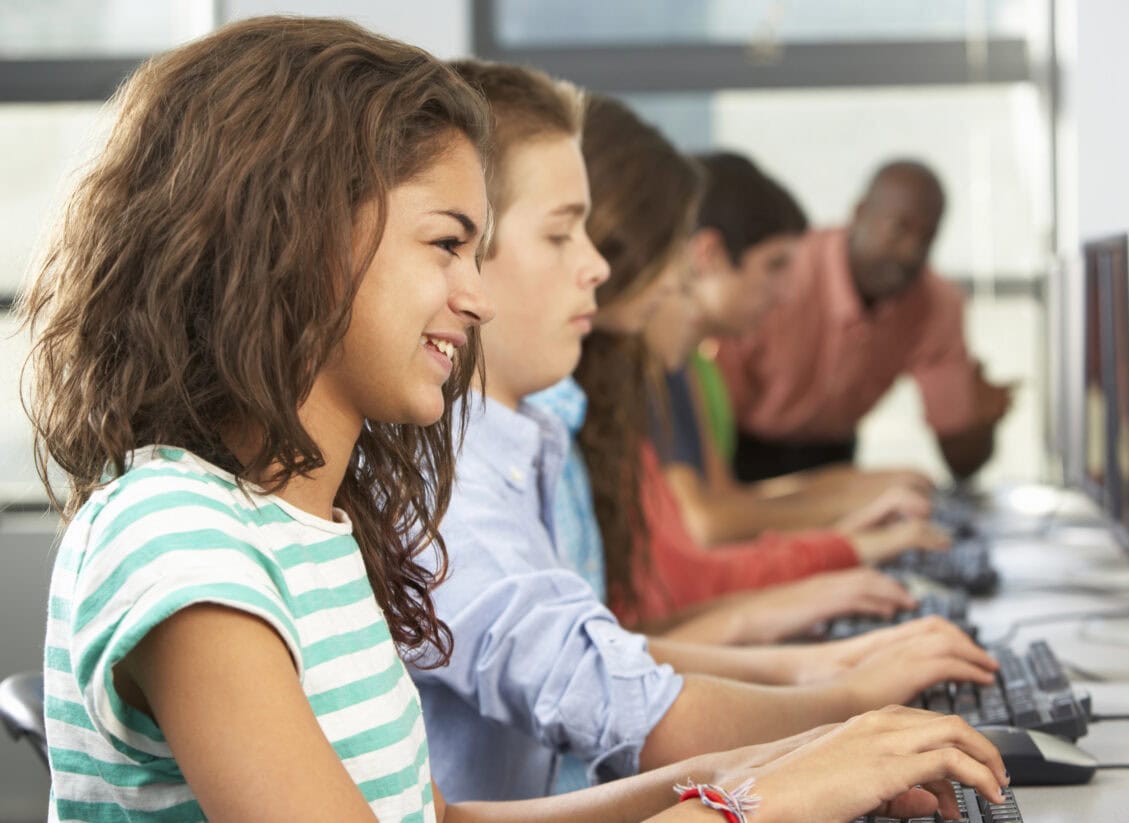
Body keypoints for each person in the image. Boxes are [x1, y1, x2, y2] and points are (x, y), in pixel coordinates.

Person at [25, 19, 1008, 823]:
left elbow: (436, 820)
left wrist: (787, 762)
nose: (479, 296)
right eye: (448, 243)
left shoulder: (318, 527)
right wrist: (755, 804)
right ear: (293, 240)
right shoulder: (179, 540)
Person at [412, 60, 1003, 816]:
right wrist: (831, 705)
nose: (598, 265)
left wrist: (788, 737)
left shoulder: (528, 435)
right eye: (564, 233)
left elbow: (608, 656)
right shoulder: (446, 489)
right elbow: (628, 693)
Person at [660, 151, 939, 549]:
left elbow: (729, 499)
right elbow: (707, 523)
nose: (786, 292)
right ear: (709, 255)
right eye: (774, 267)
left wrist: (845, 487)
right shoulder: (661, 366)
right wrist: (843, 516)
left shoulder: (692, 364)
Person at [716, 159, 1015, 484]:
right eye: (899, 228)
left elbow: (961, 461)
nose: (911, 251)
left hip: (835, 459)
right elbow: (710, 416)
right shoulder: (782, 273)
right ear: (859, 213)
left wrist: (978, 423)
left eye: (927, 238)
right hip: (737, 451)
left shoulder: (936, 303)